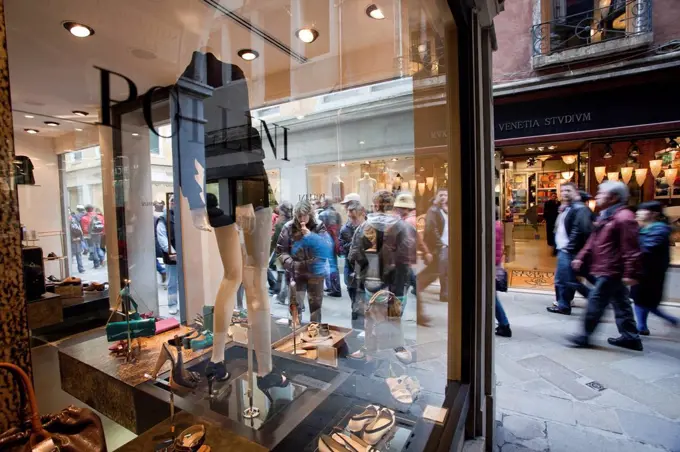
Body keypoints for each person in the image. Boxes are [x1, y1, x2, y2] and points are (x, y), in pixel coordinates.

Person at [571, 181, 643, 351]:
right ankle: (631, 337)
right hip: (607, 266)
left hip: (612, 269)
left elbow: (631, 248)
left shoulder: (624, 217)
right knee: (621, 302)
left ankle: (584, 336)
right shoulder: (606, 215)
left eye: (601, 193)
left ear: (614, 197)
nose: (597, 196)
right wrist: (581, 256)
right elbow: (593, 239)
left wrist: (630, 273)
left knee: (596, 302)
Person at [277, 200, 334, 322]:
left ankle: (315, 334)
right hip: (296, 273)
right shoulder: (288, 227)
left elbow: (326, 247)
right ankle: (295, 334)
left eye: (305, 215)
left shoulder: (319, 226)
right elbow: (281, 251)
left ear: (310, 214)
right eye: (299, 216)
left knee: (316, 308)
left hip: (316, 273)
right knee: (295, 308)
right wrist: (292, 264)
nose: (302, 219)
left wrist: (311, 236)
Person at [547, 184, 594, 315]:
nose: (565, 193)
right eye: (562, 191)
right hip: (565, 249)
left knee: (566, 280)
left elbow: (581, 230)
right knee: (567, 279)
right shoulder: (567, 208)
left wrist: (571, 248)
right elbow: (560, 229)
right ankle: (564, 304)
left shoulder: (579, 208)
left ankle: (596, 298)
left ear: (576, 193)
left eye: (568, 190)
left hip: (570, 250)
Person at [632, 201, 678, 335]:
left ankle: (669, 319)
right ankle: (642, 326)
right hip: (642, 269)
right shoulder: (643, 228)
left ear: (654, 214)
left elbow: (647, 248)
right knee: (640, 299)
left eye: (643, 210)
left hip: (652, 272)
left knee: (647, 301)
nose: (639, 213)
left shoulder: (659, 229)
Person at [419, 188, 449, 302]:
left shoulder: (444, 211)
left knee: (440, 271)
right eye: (441, 195)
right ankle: (444, 294)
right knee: (438, 271)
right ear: (436, 196)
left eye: (445, 195)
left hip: (445, 245)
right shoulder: (433, 210)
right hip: (440, 246)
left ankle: (444, 294)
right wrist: (440, 244)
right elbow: (431, 228)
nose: (443, 197)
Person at [340, 201, 366, 320]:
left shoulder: (370, 227)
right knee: (353, 294)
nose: (352, 220)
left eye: (354, 218)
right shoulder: (345, 229)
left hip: (367, 268)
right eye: (350, 217)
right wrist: (355, 243)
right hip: (351, 267)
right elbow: (341, 248)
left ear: (362, 214)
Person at [393, 192, 419, 294]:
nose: (397, 209)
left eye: (399, 207)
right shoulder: (410, 219)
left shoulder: (408, 221)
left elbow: (407, 244)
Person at [157, 196, 179, 315]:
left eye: (176, 201)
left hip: (186, 255)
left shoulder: (184, 216)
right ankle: (172, 304)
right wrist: (171, 251)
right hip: (172, 257)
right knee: (172, 282)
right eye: (172, 201)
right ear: (169, 203)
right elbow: (162, 237)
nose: (174, 203)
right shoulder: (163, 218)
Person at [318, 197, 343, 297]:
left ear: (325, 202)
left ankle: (333, 288)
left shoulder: (322, 214)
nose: (321, 203)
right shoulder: (337, 214)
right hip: (335, 240)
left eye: (322, 201)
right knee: (333, 265)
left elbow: (319, 229)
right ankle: (334, 288)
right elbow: (339, 228)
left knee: (325, 265)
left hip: (325, 241)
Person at [271, 201, 293, 305]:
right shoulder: (294, 221)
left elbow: (275, 239)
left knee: (283, 275)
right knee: (288, 275)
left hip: (282, 252)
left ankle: (282, 296)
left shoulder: (280, 224)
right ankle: (281, 295)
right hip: (292, 252)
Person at [495, 210, 511, 337]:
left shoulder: (493, 227)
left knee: (491, 298)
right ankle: (503, 323)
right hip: (494, 265)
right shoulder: (498, 225)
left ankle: (504, 324)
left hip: (491, 267)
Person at [81, 205, 105, 269]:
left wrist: (86, 233)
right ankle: (102, 258)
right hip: (99, 234)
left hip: (90, 235)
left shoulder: (84, 218)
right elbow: (103, 224)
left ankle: (96, 263)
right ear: (92, 209)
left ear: (86, 209)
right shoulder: (99, 216)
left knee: (93, 249)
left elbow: (84, 228)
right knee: (98, 247)